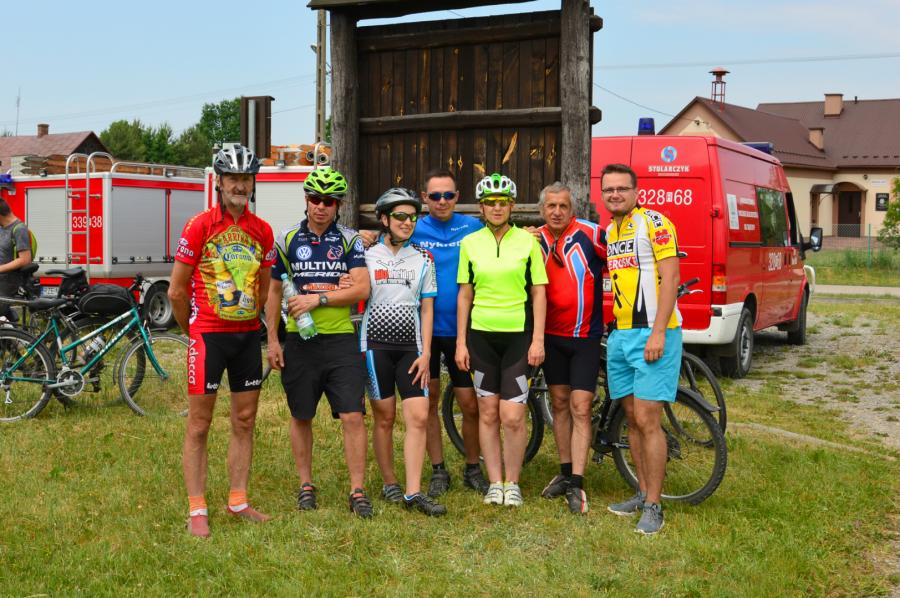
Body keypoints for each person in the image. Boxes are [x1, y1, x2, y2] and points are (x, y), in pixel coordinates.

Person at [169, 144, 275, 538]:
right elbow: (176, 291)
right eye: (233, 178)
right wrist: (192, 330)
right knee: (199, 424)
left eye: (246, 178)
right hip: (208, 337)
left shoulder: (262, 230)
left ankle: (238, 500)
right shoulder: (199, 225)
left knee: (244, 421)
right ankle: (197, 509)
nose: (240, 185)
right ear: (220, 181)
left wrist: (252, 320)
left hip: (246, 338)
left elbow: (264, 290)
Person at [264, 166, 374, 518]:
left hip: (340, 339)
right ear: (306, 200)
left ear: (338, 205)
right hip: (300, 340)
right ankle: (306, 485)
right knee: (301, 415)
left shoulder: (349, 240)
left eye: (329, 201)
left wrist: (318, 299)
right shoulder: (286, 240)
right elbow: (274, 292)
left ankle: (357, 490)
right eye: (315, 199)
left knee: (353, 415)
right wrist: (273, 340)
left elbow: (362, 288)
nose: (321, 206)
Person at [456, 173, 547, 507]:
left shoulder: (527, 242)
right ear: (481, 208)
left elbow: (538, 293)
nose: (497, 208)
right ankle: (495, 482)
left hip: (518, 339)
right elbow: (465, 294)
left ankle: (513, 482)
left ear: (512, 206)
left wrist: (538, 340)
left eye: (503, 202)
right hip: (480, 338)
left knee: (512, 416)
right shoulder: (470, 243)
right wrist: (461, 342)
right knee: (488, 413)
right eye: (490, 203)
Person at [600, 163, 682, 535]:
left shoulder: (655, 222)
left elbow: (671, 277)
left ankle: (654, 505)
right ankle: (642, 491)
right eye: (609, 189)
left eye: (622, 188)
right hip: (621, 335)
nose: (615, 194)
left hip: (652, 332)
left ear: (636, 192)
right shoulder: (610, 230)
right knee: (631, 419)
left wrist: (659, 332)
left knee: (648, 420)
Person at [361, 187, 446, 516]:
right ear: (384, 219)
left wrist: (426, 354)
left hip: (412, 347)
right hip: (375, 345)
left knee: (419, 416)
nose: (408, 222)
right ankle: (390, 483)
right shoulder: (367, 254)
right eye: (400, 216)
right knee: (384, 417)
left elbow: (427, 309)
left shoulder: (424, 258)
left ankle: (413, 492)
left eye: (413, 217)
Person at [411, 169, 487, 497]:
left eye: (448, 195)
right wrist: (366, 236)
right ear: (424, 198)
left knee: (470, 404)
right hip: (424, 330)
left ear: (457, 197)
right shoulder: (412, 228)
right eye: (435, 196)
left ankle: (473, 467)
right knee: (428, 402)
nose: (442, 201)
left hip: (462, 332)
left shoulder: (474, 227)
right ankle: (438, 469)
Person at [533, 182, 607, 515]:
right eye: (551, 206)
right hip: (550, 336)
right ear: (542, 210)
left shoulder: (592, 234)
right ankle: (564, 472)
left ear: (572, 209)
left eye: (563, 206)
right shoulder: (534, 239)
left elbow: (625, 259)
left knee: (581, 406)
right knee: (560, 403)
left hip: (585, 337)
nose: (557, 212)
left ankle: (577, 481)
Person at [0, 199, 34, 322]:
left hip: (8, 282)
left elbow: (25, 259)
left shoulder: (19, 229)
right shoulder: (3, 228)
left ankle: (11, 328)